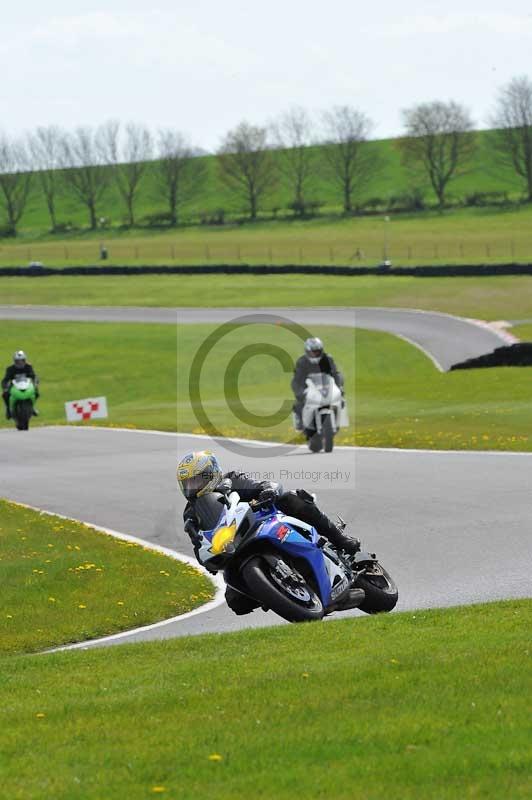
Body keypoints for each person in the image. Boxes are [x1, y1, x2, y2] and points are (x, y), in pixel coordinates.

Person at [177, 451, 362, 615]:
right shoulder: (191, 514)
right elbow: (198, 543)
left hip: (263, 522)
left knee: (292, 498)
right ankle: (278, 590)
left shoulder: (232, 480)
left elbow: (264, 485)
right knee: (236, 602)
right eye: (188, 484)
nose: (192, 487)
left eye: (197, 480)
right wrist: (207, 558)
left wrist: (267, 490)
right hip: (234, 547)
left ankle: (340, 539)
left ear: (212, 474)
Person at [291, 337, 344, 432]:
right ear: (307, 352)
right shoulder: (301, 362)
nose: (314, 354)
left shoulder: (327, 359)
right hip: (309, 388)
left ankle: (338, 422)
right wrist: (300, 393)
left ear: (321, 350)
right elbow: (297, 380)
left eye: (317, 352)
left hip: (325, 387)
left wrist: (339, 387)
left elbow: (335, 374)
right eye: (312, 352)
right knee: (298, 405)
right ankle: (301, 423)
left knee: (341, 401)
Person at [2, 350, 39, 420]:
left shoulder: (28, 367)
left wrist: (36, 383)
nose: (20, 363)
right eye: (18, 361)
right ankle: (8, 410)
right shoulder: (10, 369)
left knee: (36, 393)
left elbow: (34, 376)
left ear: (25, 360)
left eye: (22, 361)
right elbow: (5, 379)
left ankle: (32, 407)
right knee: (5, 394)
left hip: (26, 385)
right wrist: (5, 387)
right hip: (14, 386)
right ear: (14, 361)